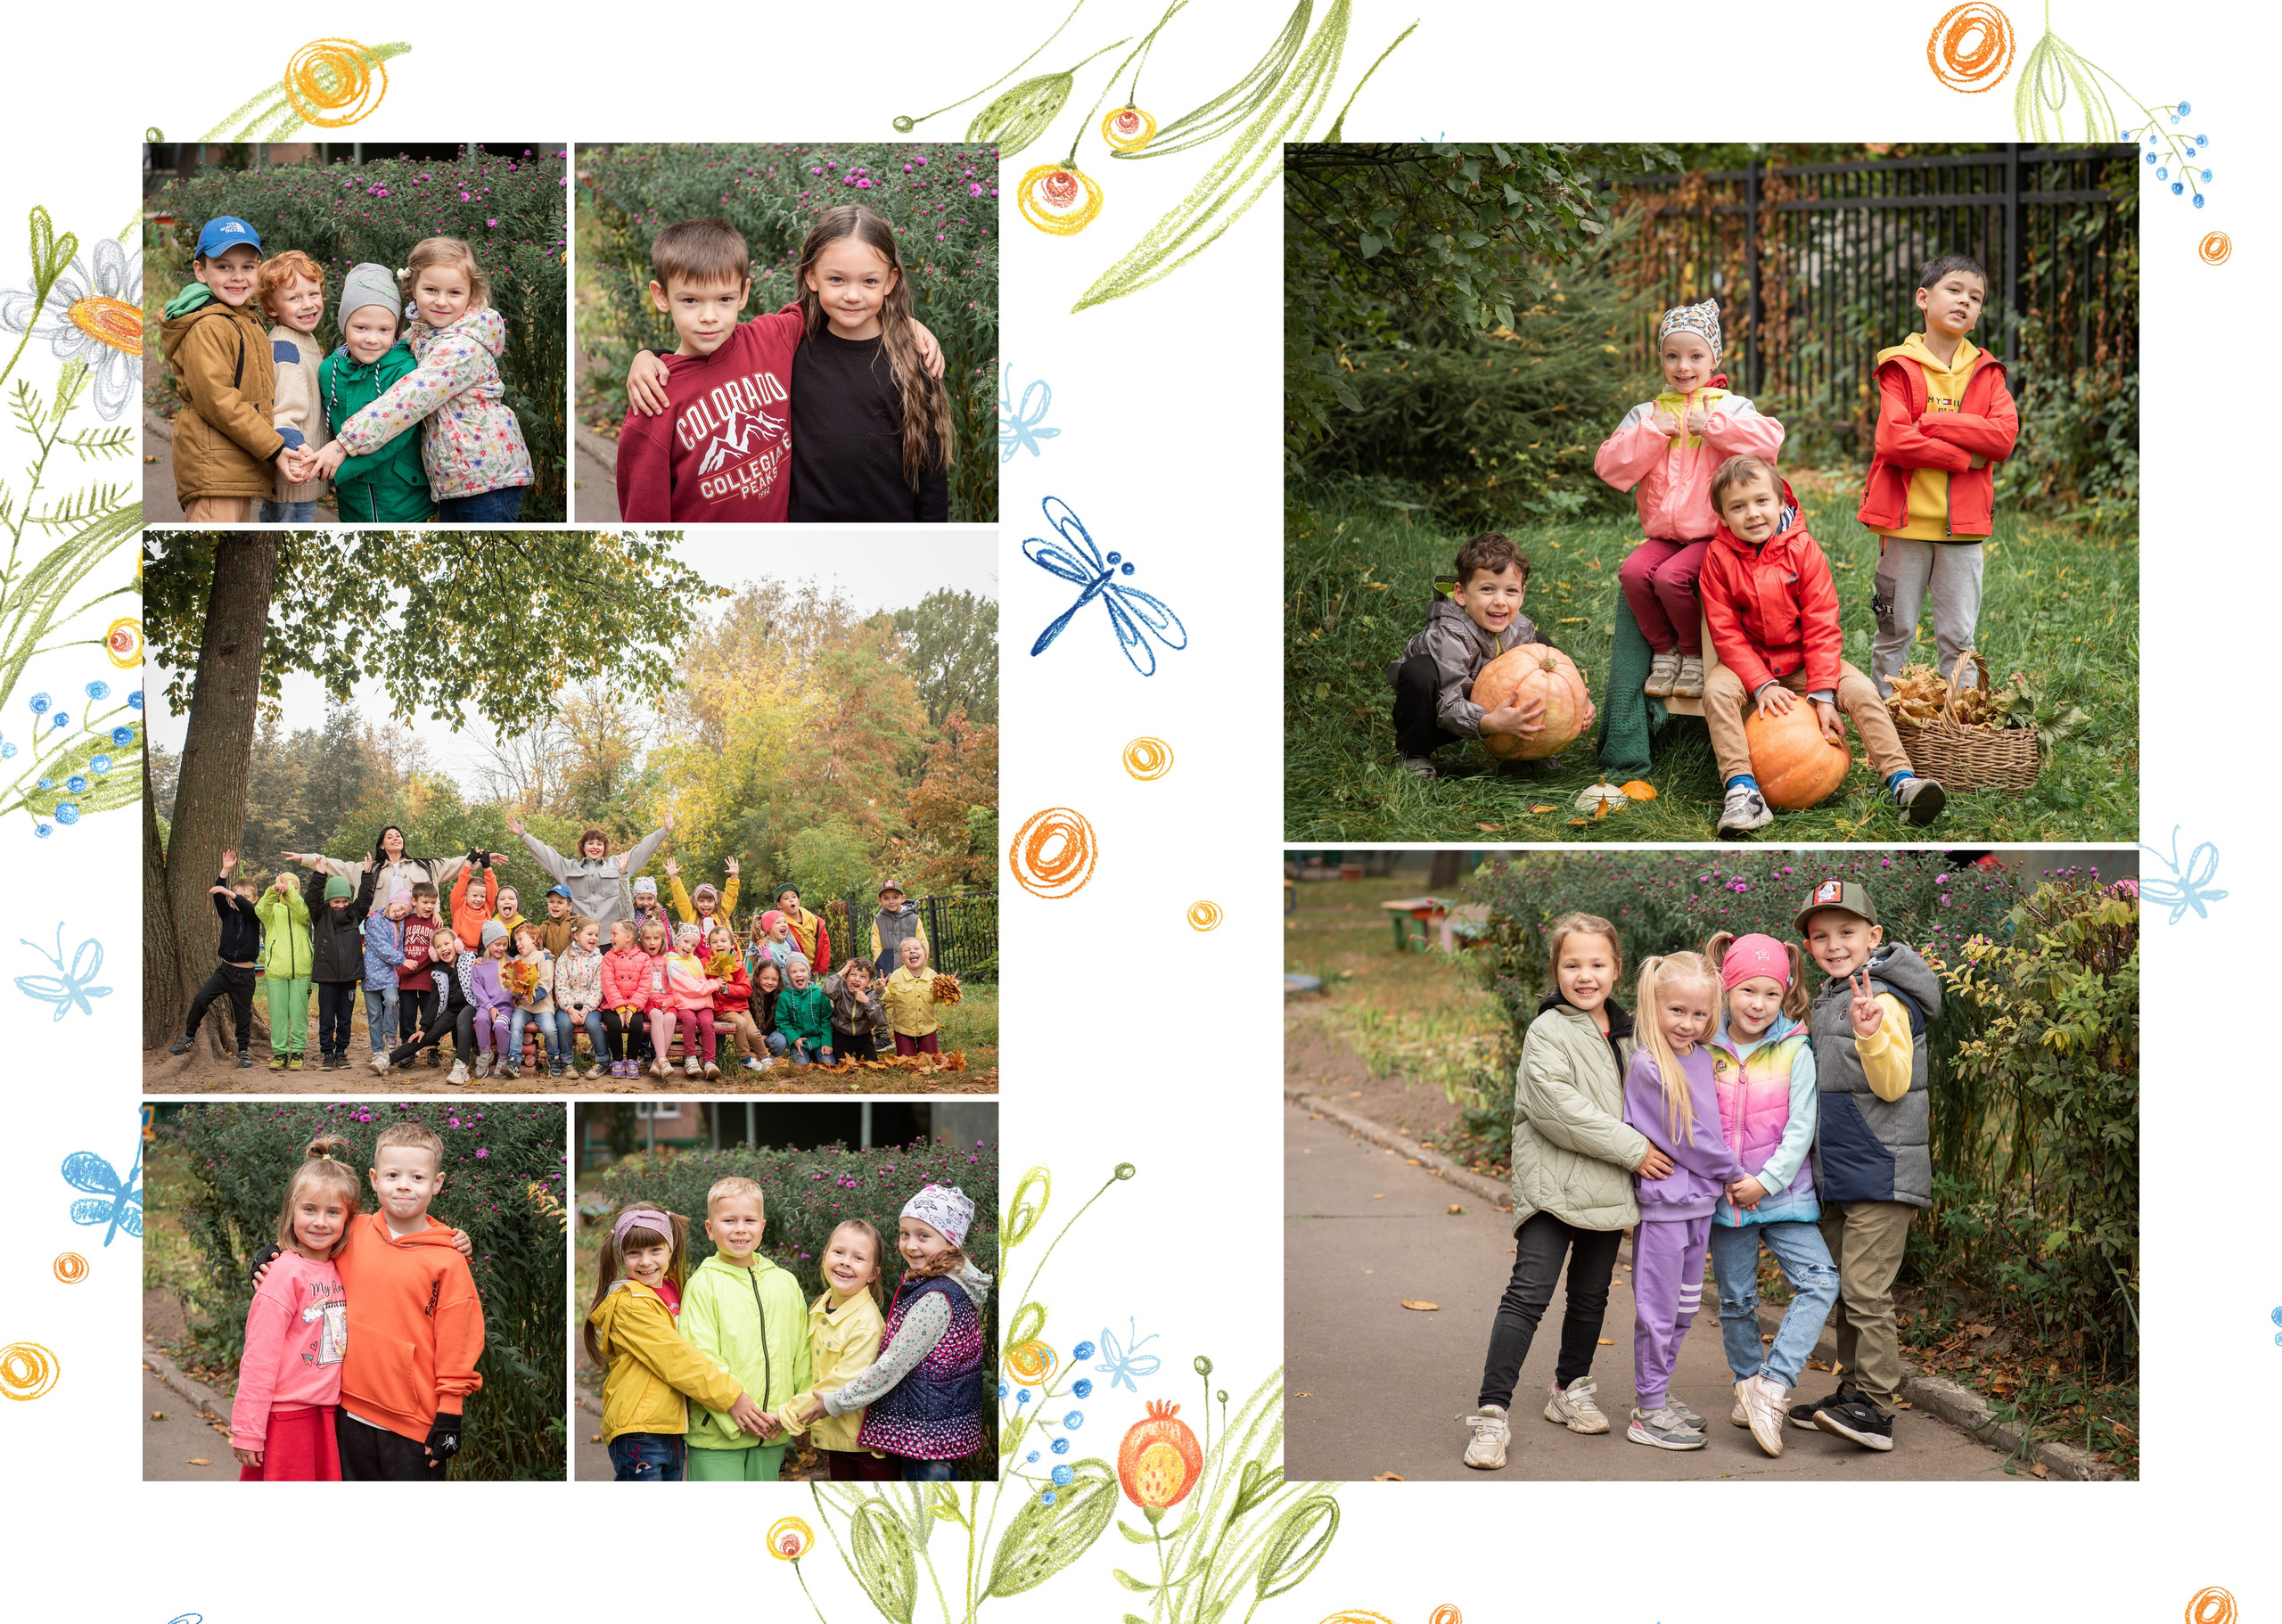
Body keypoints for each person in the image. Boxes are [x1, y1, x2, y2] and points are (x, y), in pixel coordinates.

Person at [1463, 914, 1665, 1471]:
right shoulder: (1547, 1030)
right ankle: (1491, 1414)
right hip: (1552, 1184)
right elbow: (1556, 1108)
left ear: (1616, 969)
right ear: (1556, 971)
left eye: (1597, 964)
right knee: (1528, 1294)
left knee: (1591, 1296)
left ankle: (1569, 1388)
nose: (1585, 975)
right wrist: (1634, 1151)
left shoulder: (1632, 1031)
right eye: (1572, 964)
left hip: (1606, 1188)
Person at [616, 215, 948, 522]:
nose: (709, 316)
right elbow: (644, 518)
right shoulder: (654, 399)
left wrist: (904, 324)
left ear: (743, 293)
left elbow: (841, 303)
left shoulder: (773, 340)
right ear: (661, 297)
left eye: (724, 299)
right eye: (690, 301)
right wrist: (648, 356)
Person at [1697, 455, 1945, 838]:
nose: (1752, 514)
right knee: (1715, 691)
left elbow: (1822, 623)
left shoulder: (1803, 549)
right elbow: (1724, 630)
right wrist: (1760, 684)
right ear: (1723, 517)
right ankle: (1743, 792)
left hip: (1805, 662)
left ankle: (1900, 779)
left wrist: (1824, 692)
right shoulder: (1718, 558)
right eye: (1738, 507)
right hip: (1748, 663)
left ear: (1782, 502)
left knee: (1862, 690)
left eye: (1762, 501)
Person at [1785, 879, 1941, 1454]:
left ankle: (1875, 1409)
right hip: (1843, 1169)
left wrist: (1873, 1034)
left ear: (1874, 936)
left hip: (1881, 1167)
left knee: (1865, 1291)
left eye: (1846, 932)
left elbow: (1894, 1083)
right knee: (1849, 1290)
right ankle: (1853, 1392)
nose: (1833, 943)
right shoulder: (1832, 995)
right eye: (1820, 935)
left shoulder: (1886, 1000)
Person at [254, 1122, 485, 1480]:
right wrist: (272, 1255)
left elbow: (459, 1341)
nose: (404, 1185)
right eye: (393, 1174)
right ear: (375, 1179)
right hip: (345, 1413)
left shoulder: (448, 1258)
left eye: (417, 1177)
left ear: (437, 1183)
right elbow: (310, 1247)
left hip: (413, 1426)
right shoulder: (352, 1232)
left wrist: (451, 1413)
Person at [1596, 299, 1785, 700]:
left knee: (1671, 578)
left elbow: (1770, 443)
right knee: (1632, 573)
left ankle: (1694, 654)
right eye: (1672, 356)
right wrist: (1651, 433)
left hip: (1714, 534)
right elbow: (1609, 466)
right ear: (1661, 360)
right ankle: (1664, 652)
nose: (1683, 366)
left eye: (1695, 355)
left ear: (1714, 358)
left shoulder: (1730, 407)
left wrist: (1715, 427)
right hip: (1664, 533)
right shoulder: (1646, 413)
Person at [1700, 931, 1841, 1460]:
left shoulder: (1794, 1050)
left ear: (1784, 993)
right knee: (1737, 1301)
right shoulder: (1703, 1046)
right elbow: (1695, 1117)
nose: (1758, 1005)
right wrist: (1726, 1177)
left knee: (1820, 1280)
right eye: (1747, 991)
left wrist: (1767, 1180)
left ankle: (1773, 1386)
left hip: (1782, 1194)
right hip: (1726, 1196)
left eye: (1771, 994)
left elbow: (1802, 1125)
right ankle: (1745, 1384)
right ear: (1726, 988)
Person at [1859, 254, 2019, 693]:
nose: (1964, 301)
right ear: (1923, 298)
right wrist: (1965, 457)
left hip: (1963, 533)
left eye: (1976, 297)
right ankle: (1884, 729)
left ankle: (1961, 730)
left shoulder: (1988, 374)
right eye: (1954, 290)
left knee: (1958, 638)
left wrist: (1933, 423)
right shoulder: (1898, 367)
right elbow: (1893, 443)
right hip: (1903, 526)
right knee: (1895, 631)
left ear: (1979, 313)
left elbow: (2003, 439)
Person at [318, 237, 534, 522]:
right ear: (413, 289)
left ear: (471, 294)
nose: (441, 301)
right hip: (458, 479)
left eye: (454, 292)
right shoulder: (426, 332)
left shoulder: (463, 348)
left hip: (487, 478)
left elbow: (409, 398)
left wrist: (344, 442)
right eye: (431, 289)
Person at [1620, 950, 1742, 1451]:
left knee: (1686, 1308)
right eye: (1677, 1011)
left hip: (1699, 1206)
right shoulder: (1651, 1065)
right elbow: (1687, 1136)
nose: (1688, 1024)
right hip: (1665, 1208)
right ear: (1654, 1004)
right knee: (1658, 1310)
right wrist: (1735, 1173)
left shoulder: (1701, 1057)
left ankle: (1659, 1395)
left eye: (1698, 1014)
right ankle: (1647, 1410)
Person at [792, 1186, 989, 1480]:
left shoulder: (936, 1297)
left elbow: (893, 1364)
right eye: (905, 1233)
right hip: (933, 1422)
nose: (910, 1245)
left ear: (951, 1243)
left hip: (923, 1430)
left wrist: (836, 1401)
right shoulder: (938, 1284)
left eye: (924, 1235)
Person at [1384, 531, 1596, 781]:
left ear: (1522, 594)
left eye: (1510, 591)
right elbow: (1447, 706)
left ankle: (1522, 752)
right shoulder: (1449, 635)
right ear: (1461, 593)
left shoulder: (1522, 629)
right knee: (1420, 672)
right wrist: (1489, 723)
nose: (1499, 602)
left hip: (1492, 712)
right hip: (1437, 714)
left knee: (1542, 651)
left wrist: (1576, 704)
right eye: (1487, 589)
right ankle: (1414, 754)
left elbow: (1539, 688)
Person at [584, 1207, 772, 1481]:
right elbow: (677, 1359)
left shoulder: (676, 1288)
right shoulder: (631, 1303)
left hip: (671, 1426)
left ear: (670, 1250)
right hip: (640, 1427)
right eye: (634, 1253)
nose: (646, 1261)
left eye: (655, 1250)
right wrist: (731, 1397)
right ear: (622, 1256)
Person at [159, 217, 309, 522]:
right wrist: (275, 448)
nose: (237, 277)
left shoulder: (241, 317)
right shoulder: (209, 326)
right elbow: (220, 402)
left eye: (248, 267)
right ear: (201, 271)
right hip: (215, 471)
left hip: (233, 467)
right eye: (224, 266)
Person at [232, 1136, 357, 1480]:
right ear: (291, 1212)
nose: (320, 1222)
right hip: (287, 1416)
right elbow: (259, 1355)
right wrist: (247, 1429)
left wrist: (453, 1241)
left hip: (326, 1414)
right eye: (310, 1209)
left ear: (349, 1218)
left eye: (333, 1212)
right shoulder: (282, 1274)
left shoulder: (343, 1266)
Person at [682, 1177, 809, 1480]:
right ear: (710, 1229)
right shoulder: (703, 1284)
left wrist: (794, 1412)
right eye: (729, 1220)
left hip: (772, 1430)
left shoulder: (785, 1283)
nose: (740, 1229)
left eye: (749, 1220)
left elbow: (803, 1353)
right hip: (717, 1434)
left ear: (762, 1226)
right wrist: (731, 1404)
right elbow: (698, 1357)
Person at [316, 263, 435, 521]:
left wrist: (339, 468)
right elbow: (325, 426)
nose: (372, 339)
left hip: (401, 499)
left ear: (395, 329)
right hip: (353, 501)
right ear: (344, 325)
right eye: (361, 328)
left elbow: (396, 434)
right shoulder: (329, 371)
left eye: (384, 330)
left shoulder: (404, 368)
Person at [776, 1218, 893, 1480]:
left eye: (858, 1258)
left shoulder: (866, 1324)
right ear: (825, 1256)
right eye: (838, 1252)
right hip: (836, 1438)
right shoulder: (820, 1307)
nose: (845, 1262)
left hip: (868, 1444)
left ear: (873, 1274)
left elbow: (840, 1382)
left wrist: (787, 1415)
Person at [168, 849, 261, 1068]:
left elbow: (244, 906)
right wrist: (225, 871)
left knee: (243, 1014)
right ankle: (189, 1036)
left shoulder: (254, 916)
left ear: (254, 899)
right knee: (200, 999)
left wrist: (232, 893)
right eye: (237, 896)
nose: (239, 899)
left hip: (245, 974)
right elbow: (219, 895)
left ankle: (243, 1051)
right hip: (225, 971)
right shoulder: (228, 914)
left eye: (245, 896)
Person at [255, 250, 329, 522]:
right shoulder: (287, 350)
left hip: (300, 478)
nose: (308, 304)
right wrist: (299, 454)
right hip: (294, 476)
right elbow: (283, 415)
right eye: (294, 298)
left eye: (313, 294)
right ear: (273, 308)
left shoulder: (303, 340)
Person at [509, 815, 670, 934]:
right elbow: (546, 854)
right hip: (581, 938)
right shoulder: (568, 868)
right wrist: (524, 836)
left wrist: (663, 831)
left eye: (599, 844)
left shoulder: (618, 864)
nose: (595, 847)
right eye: (590, 843)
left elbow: (642, 850)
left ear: (605, 848)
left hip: (613, 938)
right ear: (583, 847)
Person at [288, 826, 495, 909]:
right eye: (390, 836)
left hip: (417, 928)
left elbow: (456, 863)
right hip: (382, 931)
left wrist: (485, 859)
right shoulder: (368, 869)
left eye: (398, 836)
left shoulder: (426, 866)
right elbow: (337, 865)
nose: (396, 838)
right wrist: (304, 858)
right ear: (382, 845)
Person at [373, 930, 470, 1079]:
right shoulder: (438, 972)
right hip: (453, 1010)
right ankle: (388, 1059)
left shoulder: (470, 960)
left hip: (472, 1007)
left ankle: (461, 1066)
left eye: (447, 944)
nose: (443, 949)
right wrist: (424, 1027)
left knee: (463, 1021)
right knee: (426, 1035)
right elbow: (434, 1002)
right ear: (433, 952)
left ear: (456, 944)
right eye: (438, 947)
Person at [305, 864, 373, 1071]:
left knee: (345, 1019)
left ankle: (341, 1052)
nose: (341, 905)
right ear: (328, 901)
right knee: (327, 1018)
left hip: (349, 977)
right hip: (327, 977)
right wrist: (319, 874)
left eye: (344, 901)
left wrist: (367, 875)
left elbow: (365, 899)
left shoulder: (354, 914)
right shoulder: (321, 915)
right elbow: (311, 898)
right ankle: (327, 1053)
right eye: (336, 901)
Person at [256, 868, 313, 1072]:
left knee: (299, 1015)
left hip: (302, 971)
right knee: (278, 1015)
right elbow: (260, 910)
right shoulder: (272, 911)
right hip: (276, 971)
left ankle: (298, 1052)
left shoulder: (302, 908)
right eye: (285, 885)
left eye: (294, 886)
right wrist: (273, 890)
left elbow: (305, 915)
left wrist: (289, 891)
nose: (288, 889)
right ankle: (280, 1053)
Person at [391, 881, 449, 1070]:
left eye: (433, 903)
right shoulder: (405, 921)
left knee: (430, 1015)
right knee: (407, 1016)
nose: (430, 907)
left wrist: (411, 968)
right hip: (407, 979)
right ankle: (408, 1052)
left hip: (427, 978)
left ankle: (432, 1050)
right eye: (425, 902)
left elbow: (434, 951)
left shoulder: (435, 923)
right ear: (414, 902)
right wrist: (402, 969)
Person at [663, 922, 723, 1079]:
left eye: (694, 945)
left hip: (703, 1004)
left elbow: (700, 982)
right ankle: (690, 1058)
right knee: (689, 1020)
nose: (689, 947)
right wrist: (713, 984)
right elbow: (690, 987)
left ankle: (710, 1061)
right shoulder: (673, 963)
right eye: (686, 942)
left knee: (707, 1023)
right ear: (677, 941)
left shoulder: (695, 960)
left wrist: (707, 985)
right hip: (685, 1003)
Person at [706, 926, 770, 1073]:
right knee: (740, 1024)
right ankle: (746, 1059)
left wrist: (728, 989)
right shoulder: (707, 965)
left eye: (723, 941)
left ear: (732, 944)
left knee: (754, 1033)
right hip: (722, 1008)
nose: (719, 945)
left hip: (740, 1006)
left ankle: (764, 1057)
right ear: (710, 946)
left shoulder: (738, 965)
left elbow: (747, 990)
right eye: (714, 942)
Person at [555, 915, 609, 1080]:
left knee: (593, 1024)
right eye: (590, 934)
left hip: (589, 1005)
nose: (594, 938)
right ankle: (567, 1063)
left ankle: (602, 1060)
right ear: (576, 935)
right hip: (568, 1006)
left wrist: (586, 1009)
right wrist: (570, 1009)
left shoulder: (599, 959)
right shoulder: (565, 958)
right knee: (563, 1024)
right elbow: (561, 985)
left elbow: (598, 987)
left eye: (596, 935)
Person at [360, 883, 410, 1061]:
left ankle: (391, 1037)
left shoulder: (401, 924)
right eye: (400, 908)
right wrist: (403, 960)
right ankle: (377, 1050)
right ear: (392, 902)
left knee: (392, 1003)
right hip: (371, 976)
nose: (400, 913)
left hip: (390, 976)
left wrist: (434, 912)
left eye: (405, 913)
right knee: (374, 1015)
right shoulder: (375, 920)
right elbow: (382, 948)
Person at [505, 921, 562, 1078]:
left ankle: (554, 1057)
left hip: (543, 1006)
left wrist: (535, 995)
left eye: (521, 939)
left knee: (550, 1029)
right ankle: (514, 1061)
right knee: (515, 1025)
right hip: (523, 1007)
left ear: (534, 939)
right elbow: (513, 983)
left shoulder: (544, 957)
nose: (518, 944)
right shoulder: (517, 959)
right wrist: (518, 994)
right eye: (516, 941)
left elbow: (547, 981)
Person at [599, 918, 652, 1079]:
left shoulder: (644, 958)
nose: (611, 938)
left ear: (628, 937)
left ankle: (631, 1060)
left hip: (634, 1005)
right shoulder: (609, 957)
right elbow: (608, 983)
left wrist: (631, 1008)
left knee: (636, 1024)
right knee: (614, 1024)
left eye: (615, 934)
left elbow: (645, 986)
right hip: (612, 1005)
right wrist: (620, 1008)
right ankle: (617, 1060)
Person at [468, 920, 514, 1080]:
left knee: (501, 1025)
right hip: (485, 1006)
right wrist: (489, 1007)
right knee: (480, 1019)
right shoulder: (479, 967)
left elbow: (517, 989)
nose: (501, 948)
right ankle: (485, 1054)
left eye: (504, 944)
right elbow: (478, 990)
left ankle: (503, 1057)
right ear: (487, 944)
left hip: (505, 1008)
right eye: (497, 944)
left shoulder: (512, 964)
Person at [882, 937, 941, 1058]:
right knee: (906, 1062)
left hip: (927, 1027)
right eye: (907, 950)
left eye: (916, 948)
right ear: (902, 959)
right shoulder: (896, 976)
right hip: (904, 1029)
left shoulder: (933, 976)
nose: (912, 951)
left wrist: (949, 990)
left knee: (930, 1060)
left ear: (925, 955)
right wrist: (880, 989)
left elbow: (937, 999)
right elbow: (889, 996)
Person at [636, 918, 679, 1078]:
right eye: (647, 938)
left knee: (670, 1018)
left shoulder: (669, 960)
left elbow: (675, 986)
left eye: (656, 938)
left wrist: (668, 1002)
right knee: (656, 1015)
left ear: (663, 940)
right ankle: (662, 1059)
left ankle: (657, 1060)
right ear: (642, 941)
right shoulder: (641, 959)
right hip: (649, 1004)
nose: (652, 942)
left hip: (668, 1003)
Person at [825, 956, 889, 1062]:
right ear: (846, 978)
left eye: (863, 977)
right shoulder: (841, 990)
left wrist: (867, 1002)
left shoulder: (871, 995)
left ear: (869, 983)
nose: (857, 979)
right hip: (841, 1034)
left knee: (871, 1062)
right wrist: (840, 973)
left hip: (863, 1036)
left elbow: (879, 1020)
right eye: (853, 975)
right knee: (838, 1062)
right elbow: (827, 990)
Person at [776, 952, 833, 1066]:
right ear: (788, 975)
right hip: (799, 1042)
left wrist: (827, 1042)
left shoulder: (820, 994)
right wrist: (794, 1038)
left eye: (803, 971)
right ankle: (807, 1056)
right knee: (802, 1068)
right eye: (794, 972)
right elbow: (783, 1022)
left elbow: (827, 1019)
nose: (798, 975)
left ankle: (816, 1055)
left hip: (819, 1041)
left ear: (809, 972)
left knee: (829, 1065)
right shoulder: (785, 997)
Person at [666, 853, 740, 938]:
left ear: (715, 902)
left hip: (721, 950)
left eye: (710, 901)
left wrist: (734, 877)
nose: (706, 904)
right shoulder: (690, 916)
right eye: (701, 901)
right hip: (698, 951)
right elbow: (680, 899)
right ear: (696, 902)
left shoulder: (721, 913)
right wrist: (674, 878)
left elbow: (731, 896)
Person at [869, 879, 927, 978]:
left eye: (895, 897)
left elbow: (922, 943)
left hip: (913, 965)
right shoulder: (879, 920)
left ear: (903, 898)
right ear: (880, 900)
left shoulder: (913, 919)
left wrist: (922, 963)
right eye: (886, 898)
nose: (891, 902)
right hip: (887, 968)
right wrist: (880, 962)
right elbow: (876, 946)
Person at [775, 885, 832, 974]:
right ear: (779, 905)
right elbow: (766, 934)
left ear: (799, 901)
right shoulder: (778, 923)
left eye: (794, 897)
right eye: (786, 898)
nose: (791, 900)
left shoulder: (814, 920)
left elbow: (825, 943)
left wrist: (822, 968)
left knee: (810, 988)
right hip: (790, 970)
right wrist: (760, 940)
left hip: (811, 969)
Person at [745, 959, 789, 1072]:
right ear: (757, 976)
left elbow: (776, 1021)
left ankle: (769, 1057)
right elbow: (746, 1016)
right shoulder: (749, 992)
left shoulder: (780, 995)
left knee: (781, 1042)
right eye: (766, 978)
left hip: (767, 1033)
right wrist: (753, 1037)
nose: (770, 982)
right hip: (750, 1031)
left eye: (774, 979)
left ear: (779, 980)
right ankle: (749, 1058)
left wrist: (763, 1036)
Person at [448, 855, 499, 949]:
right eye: (475, 896)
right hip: (462, 951)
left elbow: (493, 891)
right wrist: (469, 863)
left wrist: (487, 868)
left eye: (482, 896)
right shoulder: (459, 907)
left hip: (482, 951)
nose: (479, 899)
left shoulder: (487, 908)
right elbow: (460, 885)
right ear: (465, 895)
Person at [537, 886, 578, 956]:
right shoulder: (544, 927)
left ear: (569, 906)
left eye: (560, 902)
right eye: (551, 902)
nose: (555, 905)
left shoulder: (576, 924)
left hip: (572, 965)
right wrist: (541, 952)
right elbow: (537, 948)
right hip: (552, 965)